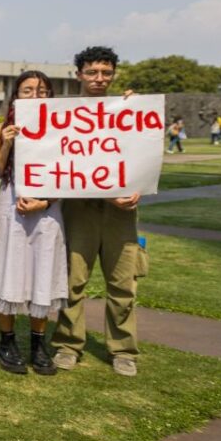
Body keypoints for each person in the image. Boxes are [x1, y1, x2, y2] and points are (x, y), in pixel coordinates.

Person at [52, 46, 144, 377]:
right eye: (92, 72)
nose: (99, 78)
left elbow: (145, 153)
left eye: (106, 72)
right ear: (79, 75)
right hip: (79, 209)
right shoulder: (63, 113)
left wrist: (137, 109)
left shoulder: (128, 110)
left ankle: (123, 350)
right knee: (72, 281)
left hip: (122, 212)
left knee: (122, 283)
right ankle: (67, 344)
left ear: (114, 75)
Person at [0, 71, 68, 375]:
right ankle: (7, 342)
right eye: (27, 90)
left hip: (46, 210)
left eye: (42, 91)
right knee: (9, 271)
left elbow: (70, 175)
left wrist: (45, 201)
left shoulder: (60, 131)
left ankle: (39, 344)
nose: (34, 96)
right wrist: (6, 144)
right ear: (16, 95)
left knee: (43, 271)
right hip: (9, 205)